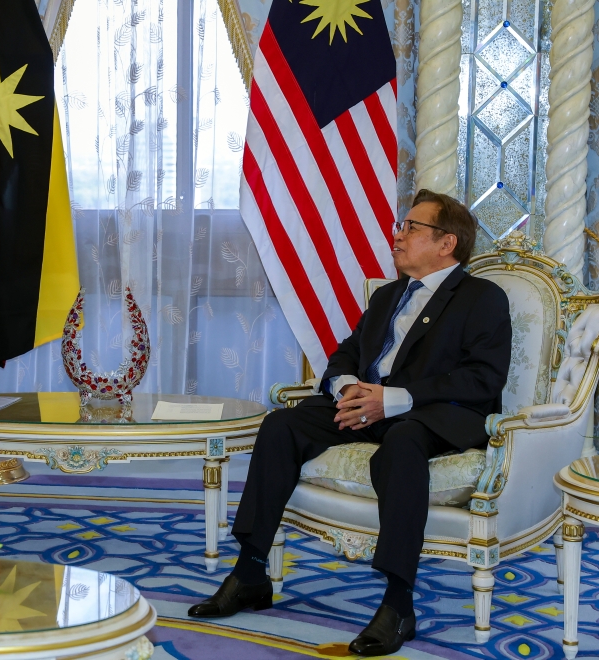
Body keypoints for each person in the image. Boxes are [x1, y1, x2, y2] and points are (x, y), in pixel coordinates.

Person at [187, 190, 512, 656]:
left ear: (447, 243)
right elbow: (348, 352)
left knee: (403, 443)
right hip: (364, 405)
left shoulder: (482, 298)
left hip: (429, 414)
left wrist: (392, 399)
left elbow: (483, 378)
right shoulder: (387, 295)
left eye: (411, 227)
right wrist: (345, 388)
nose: (397, 235)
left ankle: (398, 603)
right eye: (400, 226)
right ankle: (250, 572)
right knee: (281, 426)